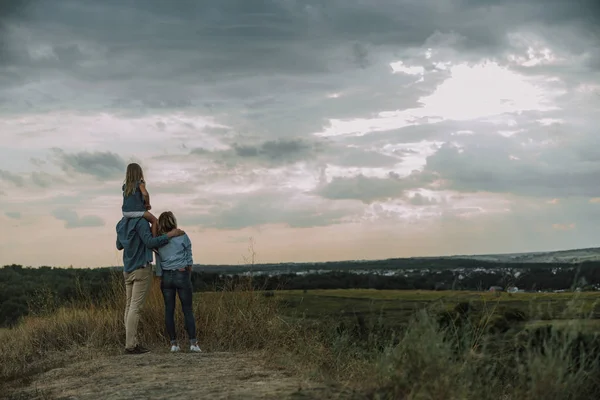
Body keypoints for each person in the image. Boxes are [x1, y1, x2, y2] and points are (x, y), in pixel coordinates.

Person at [116, 214, 185, 354]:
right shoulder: (141, 222)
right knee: (136, 308)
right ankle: (131, 346)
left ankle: (131, 343)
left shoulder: (121, 223)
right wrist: (170, 234)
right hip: (141, 268)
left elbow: (119, 245)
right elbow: (150, 243)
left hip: (127, 269)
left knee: (129, 306)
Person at [155, 211, 201, 353]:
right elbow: (189, 254)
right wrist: (188, 268)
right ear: (173, 221)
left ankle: (174, 344)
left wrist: (160, 275)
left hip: (166, 277)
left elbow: (158, 261)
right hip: (181, 274)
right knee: (187, 310)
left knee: (169, 311)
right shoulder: (182, 236)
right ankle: (193, 344)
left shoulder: (159, 240)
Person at [122, 163, 159, 236]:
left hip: (125, 212)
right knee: (155, 221)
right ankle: (154, 238)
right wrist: (147, 204)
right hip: (136, 211)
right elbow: (145, 194)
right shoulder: (139, 184)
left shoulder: (125, 186)